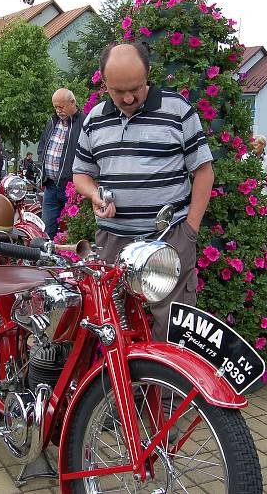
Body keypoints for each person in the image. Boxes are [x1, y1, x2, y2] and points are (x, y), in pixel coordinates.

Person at [73, 42, 214, 342]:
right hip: (114, 241)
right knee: (114, 326)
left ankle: (167, 391)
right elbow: (81, 174)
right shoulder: (94, 119)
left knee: (174, 327)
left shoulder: (177, 110)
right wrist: (95, 195)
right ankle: (121, 390)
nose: (127, 97)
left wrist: (190, 231)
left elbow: (204, 171)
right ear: (104, 82)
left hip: (169, 239)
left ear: (149, 73)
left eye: (135, 88)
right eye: (117, 90)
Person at [37, 88, 86, 239]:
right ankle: (47, 260)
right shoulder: (52, 122)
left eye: (61, 106)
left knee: (75, 229)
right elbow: (42, 147)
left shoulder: (84, 123)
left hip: (72, 188)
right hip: (51, 186)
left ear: (73, 102)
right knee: (47, 229)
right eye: (55, 107)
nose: (58, 110)